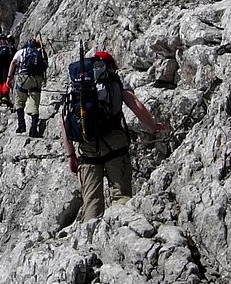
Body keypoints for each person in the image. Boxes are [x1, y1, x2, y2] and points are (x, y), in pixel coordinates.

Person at [61, 49, 167, 222]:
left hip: (88, 150)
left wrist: (71, 154)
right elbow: (135, 105)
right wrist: (152, 126)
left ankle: (90, 241)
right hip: (115, 145)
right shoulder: (114, 81)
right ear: (110, 66)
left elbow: (64, 120)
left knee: (92, 203)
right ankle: (122, 233)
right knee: (121, 197)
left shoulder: (77, 84)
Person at [7, 39, 46, 137]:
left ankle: (21, 125)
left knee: (19, 101)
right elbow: (45, 65)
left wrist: (9, 77)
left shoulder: (21, 52)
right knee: (34, 104)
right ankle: (33, 130)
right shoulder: (40, 53)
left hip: (23, 78)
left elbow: (13, 63)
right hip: (37, 79)